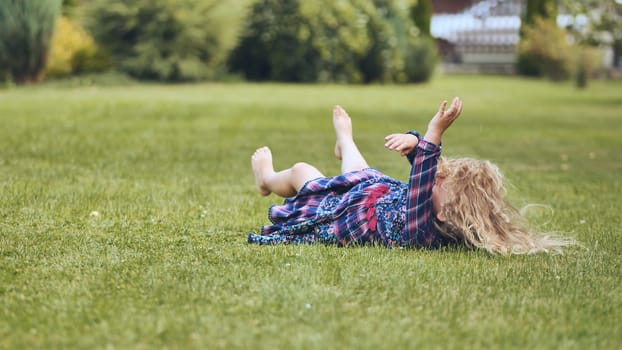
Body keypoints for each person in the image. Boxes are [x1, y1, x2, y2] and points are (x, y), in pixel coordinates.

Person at [247, 98, 573, 254]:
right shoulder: (430, 212)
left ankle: (267, 179)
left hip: (346, 212)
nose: (437, 177)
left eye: (443, 184)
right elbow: (424, 173)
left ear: (445, 212)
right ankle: (344, 141)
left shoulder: (422, 231)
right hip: (371, 192)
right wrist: (415, 143)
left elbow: (422, 177)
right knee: (358, 170)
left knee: (303, 171)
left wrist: (434, 131)